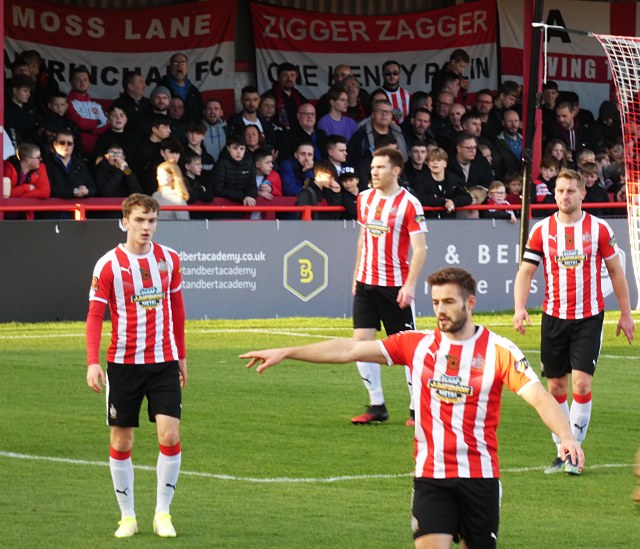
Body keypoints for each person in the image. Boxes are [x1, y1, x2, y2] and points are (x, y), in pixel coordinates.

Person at [242, 267, 584, 548]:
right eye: (435, 302)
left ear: (470, 303)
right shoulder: (416, 344)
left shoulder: (499, 350)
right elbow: (348, 350)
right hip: (431, 478)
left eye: (449, 301)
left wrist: (566, 436)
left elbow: (539, 396)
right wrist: (288, 351)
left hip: (480, 478)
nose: (441, 310)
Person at [513, 168, 634, 475]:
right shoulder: (542, 230)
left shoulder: (598, 228)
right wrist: (519, 307)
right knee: (556, 386)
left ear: (582, 194)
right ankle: (562, 449)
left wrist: (625, 313)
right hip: (553, 318)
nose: (565, 196)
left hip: (588, 318)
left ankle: (574, 456)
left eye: (570, 190)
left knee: (581, 382)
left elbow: (617, 272)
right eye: (560, 190)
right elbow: (526, 272)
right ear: (554, 194)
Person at [86, 193, 187, 539]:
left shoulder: (169, 260)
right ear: (125, 221)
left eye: (152, 221)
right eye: (140, 220)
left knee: (170, 434)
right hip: (123, 364)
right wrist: (92, 362)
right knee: (122, 440)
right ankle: (127, 516)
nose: (147, 227)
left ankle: (163, 513)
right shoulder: (108, 265)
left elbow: (177, 310)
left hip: (163, 362)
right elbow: (95, 315)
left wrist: (182, 356)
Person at [348, 147, 427, 425]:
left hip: (396, 288)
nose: (374, 172)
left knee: (407, 350)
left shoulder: (410, 204)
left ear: (396, 170)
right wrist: (357, 275)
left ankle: (417, 410)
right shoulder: (364, 199)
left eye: (380, 167)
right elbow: (362, 238)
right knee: (361, 345)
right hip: (366, 284)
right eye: (372, 167)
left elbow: (420, 249)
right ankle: (376, 405)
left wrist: (410, 285)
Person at [66, 65, 108, 155]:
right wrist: (98, 122)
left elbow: (107, 124)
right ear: (71, 82)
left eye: (85, 80)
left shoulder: (96, 105)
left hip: (100, 150)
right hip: (77, 151)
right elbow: (79, 123)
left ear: (89, 82)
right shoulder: (67, 102)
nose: (82, 83)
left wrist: (91, 127)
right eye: (78, 80)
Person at [212, 134, 257, 218]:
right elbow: (218, 189)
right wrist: (243, 196)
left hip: (241, 210)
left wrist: (250, 195)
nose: (239, 151)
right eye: (235, 148)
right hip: (221, 209)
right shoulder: (221, 163)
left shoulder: (249, 163)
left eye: (242, 148)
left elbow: (252, 185)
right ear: (228, 148)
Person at [160, 52, 203, 123]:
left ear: (187, 69)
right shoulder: (161, 89)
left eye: (183, 63)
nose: (179, 66)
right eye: (175, 63)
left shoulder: (194, 91)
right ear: (170, 68)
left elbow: (199, 114)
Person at [271, 62, 308, 131]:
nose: (289, 79)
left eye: (292, 75)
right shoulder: (270, 97)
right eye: (285, 75)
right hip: (277, 136)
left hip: (298, 136)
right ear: (278, 77)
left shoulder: (301, 99)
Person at [380, 60, 411, 124]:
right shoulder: (377, 95)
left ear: (399, 75)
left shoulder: (408, 95)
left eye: (395, 73)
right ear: (383, 75)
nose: (392, 76)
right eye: (388, 73)